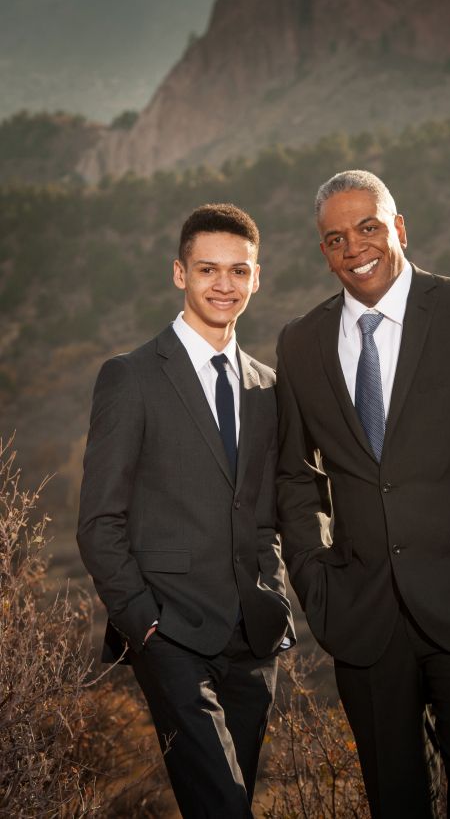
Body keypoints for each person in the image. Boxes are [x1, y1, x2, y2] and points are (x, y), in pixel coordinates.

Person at [275, 170, 450, 819]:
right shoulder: (300, 343)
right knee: (392, 804)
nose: (354, 248)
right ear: (323, 251)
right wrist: (314, 579)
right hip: (363, 615)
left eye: (368, 228)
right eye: (335, 239)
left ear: (398, 228)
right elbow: (295, 475)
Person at [78, 203, 294, 819]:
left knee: (228, 800)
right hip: (168, 629)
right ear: (180, 274)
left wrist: (274, 596)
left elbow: (266, 514)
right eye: (208, 269)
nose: (224, 284)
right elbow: (99, 520)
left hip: (253, 633)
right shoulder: (131, 377)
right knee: (224, 804)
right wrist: (141, 621)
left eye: (239, 271)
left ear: (257, 278)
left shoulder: (267, 386)